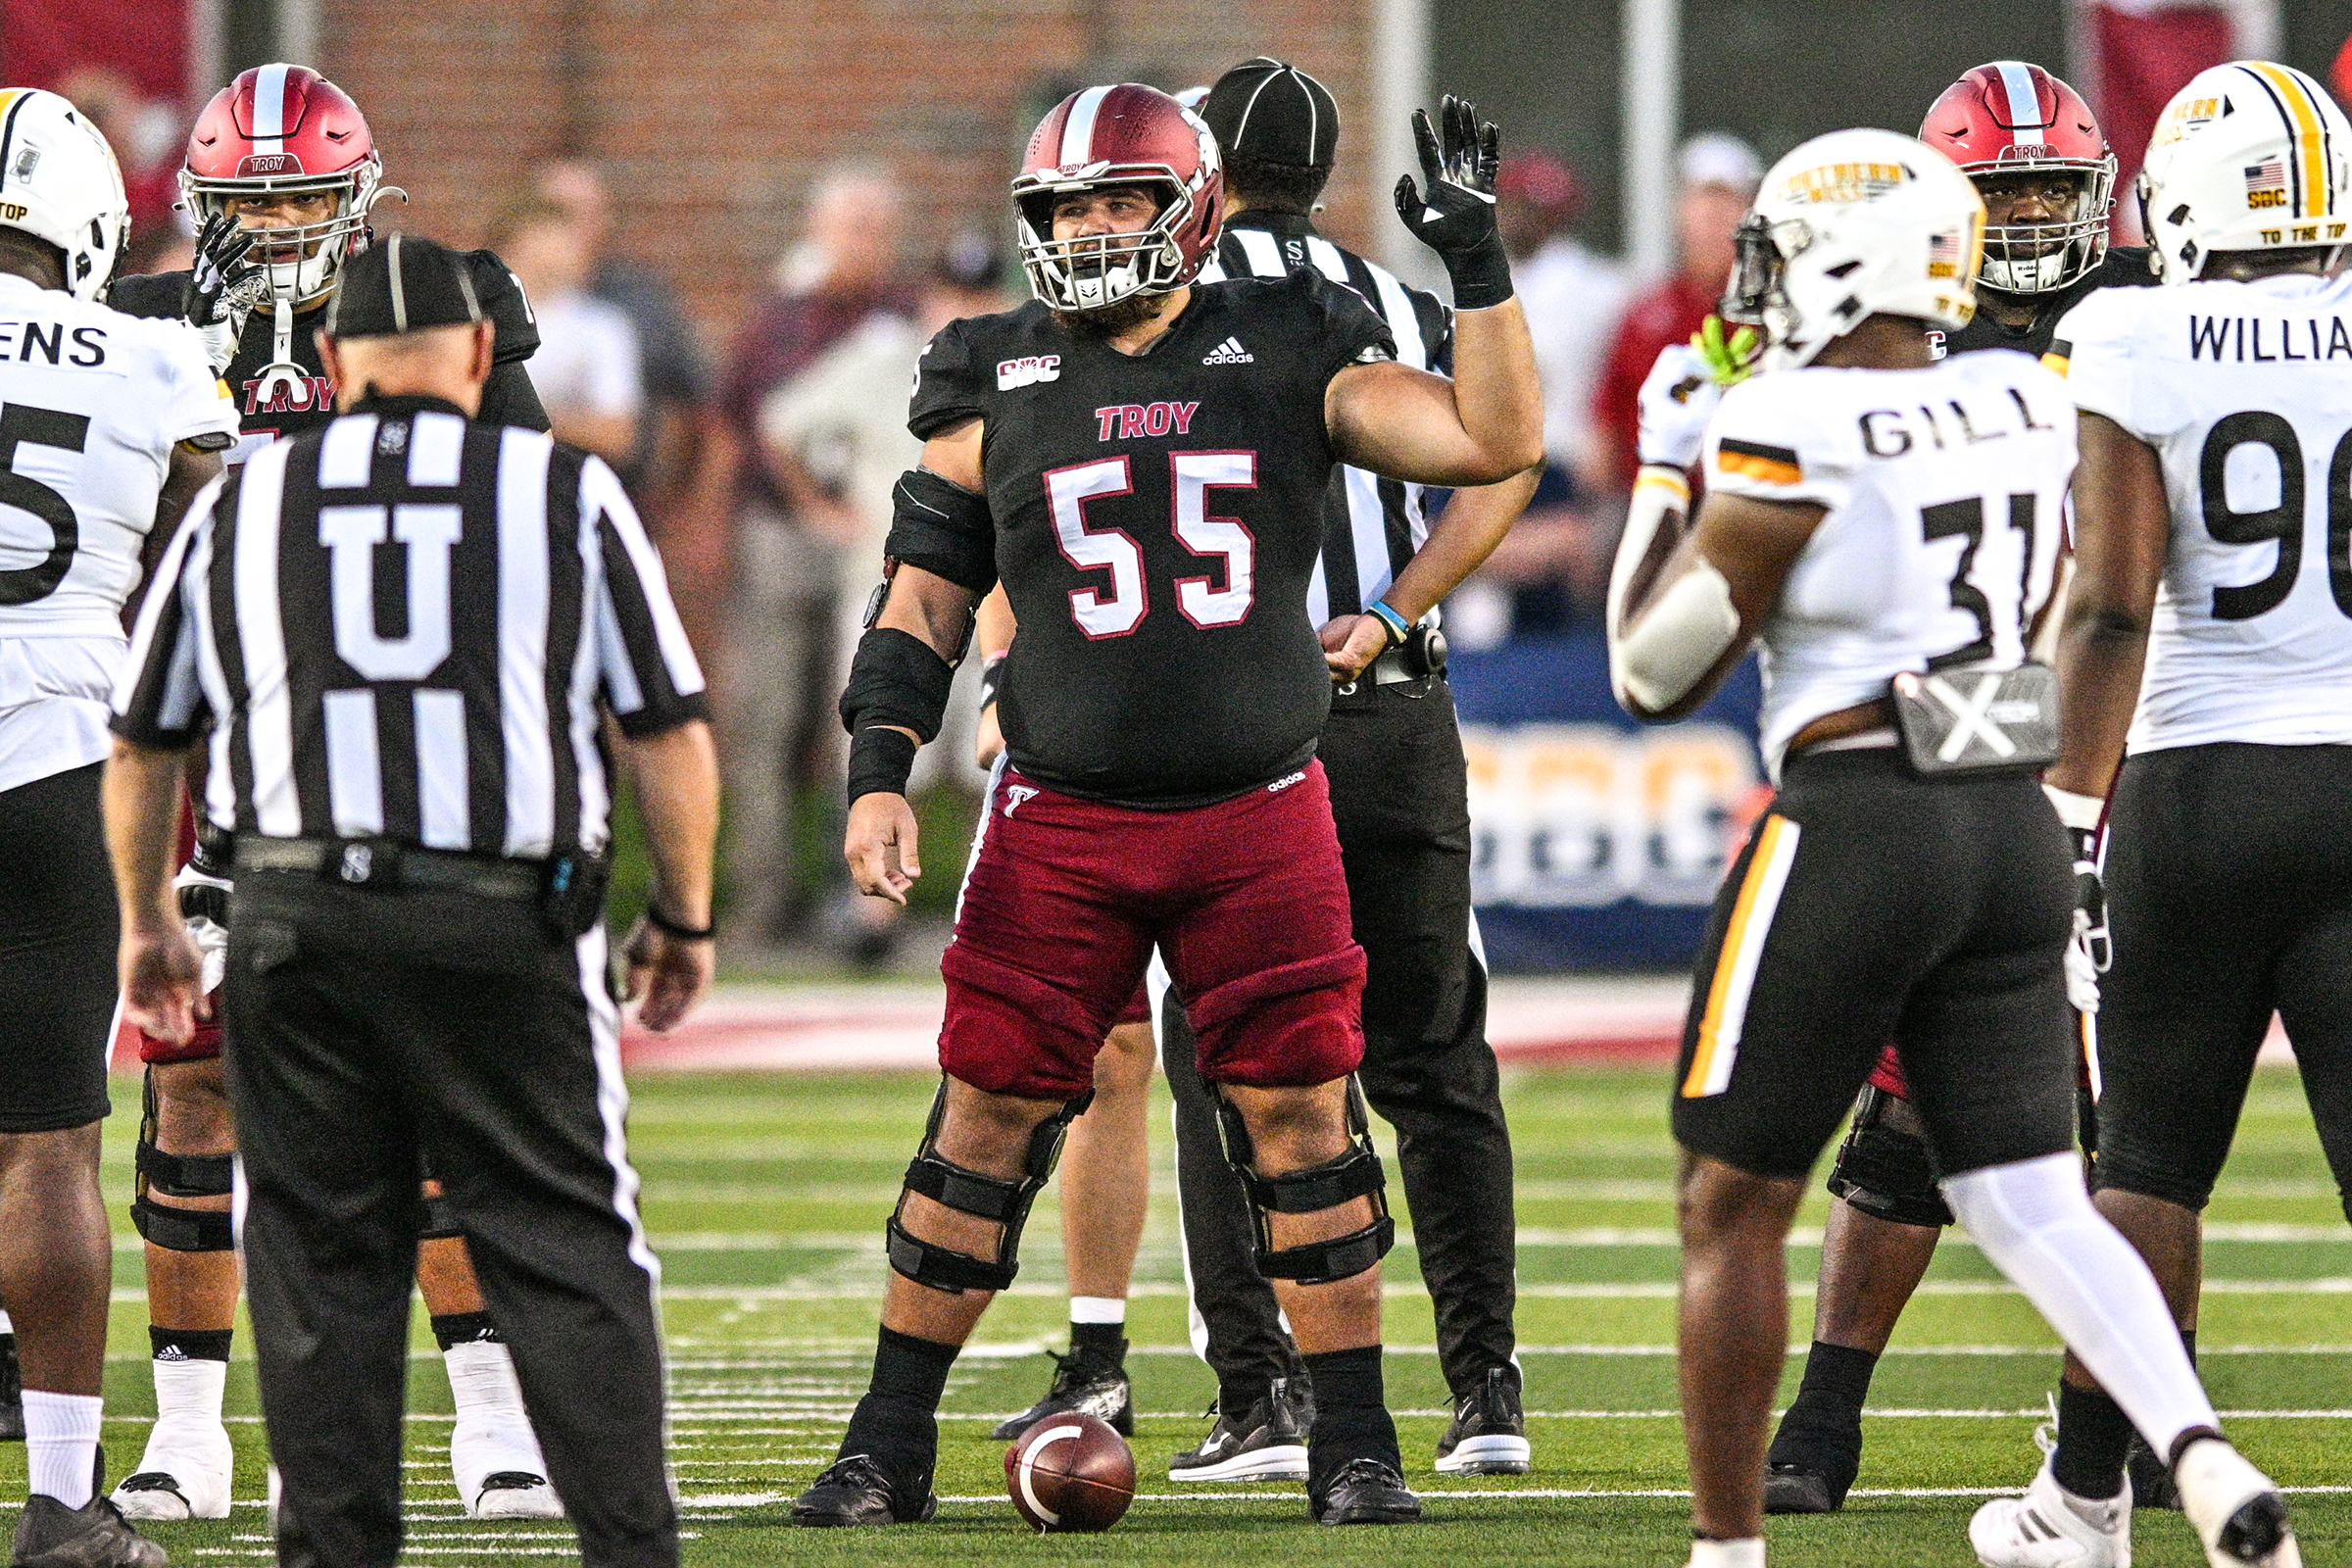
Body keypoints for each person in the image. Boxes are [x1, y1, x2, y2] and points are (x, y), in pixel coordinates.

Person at [790, 82, 1541, 1530]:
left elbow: (1493, 443)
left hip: (1256, 809)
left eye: (1119, 199)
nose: (1088, 228)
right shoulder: (990, 365)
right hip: (1058, 814)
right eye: (1067, 206)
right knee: (981, 1121)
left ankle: (1357, 1449)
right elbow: (925, 594)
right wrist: (880, 768)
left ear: (1189, 206)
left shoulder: (1288, 344)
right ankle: (886, 1445)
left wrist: (1482, 274)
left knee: (1302, 1122)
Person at [1607, 125, 2296, 1568]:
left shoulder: (1783, 425)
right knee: (2036, 1196)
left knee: (1728, 1199)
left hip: (1854, 818)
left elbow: (1650, 667)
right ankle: (2203, 1455)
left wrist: (1673, 469)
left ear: (1837, 264)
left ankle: (1725, 1552)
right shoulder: (2026, 397)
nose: (1757, 284)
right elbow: (2074, 626)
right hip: (2008, 820)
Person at [105, 234, 718, 1568]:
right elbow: (665, 727)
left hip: (291, 916)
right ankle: (627, 1545)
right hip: (496, 915)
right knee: (567, 1247)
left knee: (324, 1275)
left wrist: (149, 919)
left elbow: (146, 735)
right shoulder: (560, 491)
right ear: (482, 355)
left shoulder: (241, 506)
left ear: (330, 365)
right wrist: (683, 914)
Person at [103, 63, 563, 1524]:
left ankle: (491, 1419)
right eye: (256, 199)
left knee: (433, 1085)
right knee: (189, 1078)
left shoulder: (448, 308)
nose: (287, 220)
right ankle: (188, 1429)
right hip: (215, 739)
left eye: (307, 192)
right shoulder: (145, 325)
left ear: (360, 197)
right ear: (203, 208)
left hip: (401, 738)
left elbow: (530, 507)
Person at [1759, 59, 2162, 1518]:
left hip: (2153, 730)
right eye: (2009, 196)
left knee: (2137, 1118)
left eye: (2058, 190)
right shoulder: (1901, 348)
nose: (2040, 221)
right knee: (1916, 1104)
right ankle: (1823, 1416)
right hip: (1987, 733)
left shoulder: (2149, 323)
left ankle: (2111, 1439)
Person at [1971, 60, 2352, 1568]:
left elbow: (2113, 605)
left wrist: (2068, 817)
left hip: (2200, 784)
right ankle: (2080, 1496)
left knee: (2145, 1161)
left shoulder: (2127, 328)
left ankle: (2086, 1498)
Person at [0, 86, 227, 1568]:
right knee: (47, 1149)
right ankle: (67, 1506)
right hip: (54, 762)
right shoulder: (151, 356)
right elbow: (247, 535)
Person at [760, 233, 1008, 965]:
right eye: (953, 291)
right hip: (894, 585)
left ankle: (990, 911)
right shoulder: (885, 359)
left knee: (986, 757)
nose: (964, 307)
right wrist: (822, 511)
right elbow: (782, 423)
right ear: (928, 293)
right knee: (882, 744)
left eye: (979, 292)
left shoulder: (1028, 361)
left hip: (996, 590)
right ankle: (872, 919)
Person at [717, 160, 911, 944]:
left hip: (873, 543)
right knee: (765, 722)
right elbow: (749, 425)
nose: (861, 243)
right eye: (848, 225)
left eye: (874, 227)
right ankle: (761, 901)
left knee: (857, 717)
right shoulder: (781, 320)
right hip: (782, 535)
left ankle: (859, 899)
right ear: (818, 231)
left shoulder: (904, 316)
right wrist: (813, 506)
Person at [1589, 133, 1761, 493]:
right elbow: (1605, 425)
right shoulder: (1646, 314)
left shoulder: (1774, 310)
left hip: (1749, 494)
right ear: (1680, 209)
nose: (1714, 216)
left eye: (1727, 201)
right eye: (1702, 200)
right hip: (1651, 492)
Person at [1500, 151, 1626, 481]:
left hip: (1564, 459)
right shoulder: (1495, 277)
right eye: (1506, 204)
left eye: (1524, 208)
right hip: (1497, 456)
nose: (1510, 217)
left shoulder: (1599, 288)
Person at [497, 193, 643, 467]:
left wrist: (518, 421)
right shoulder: (474, 320)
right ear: (523, 239)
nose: (577, 248)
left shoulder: (600, 326)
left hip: (561, 477)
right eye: (559, 236)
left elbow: (617, 433)